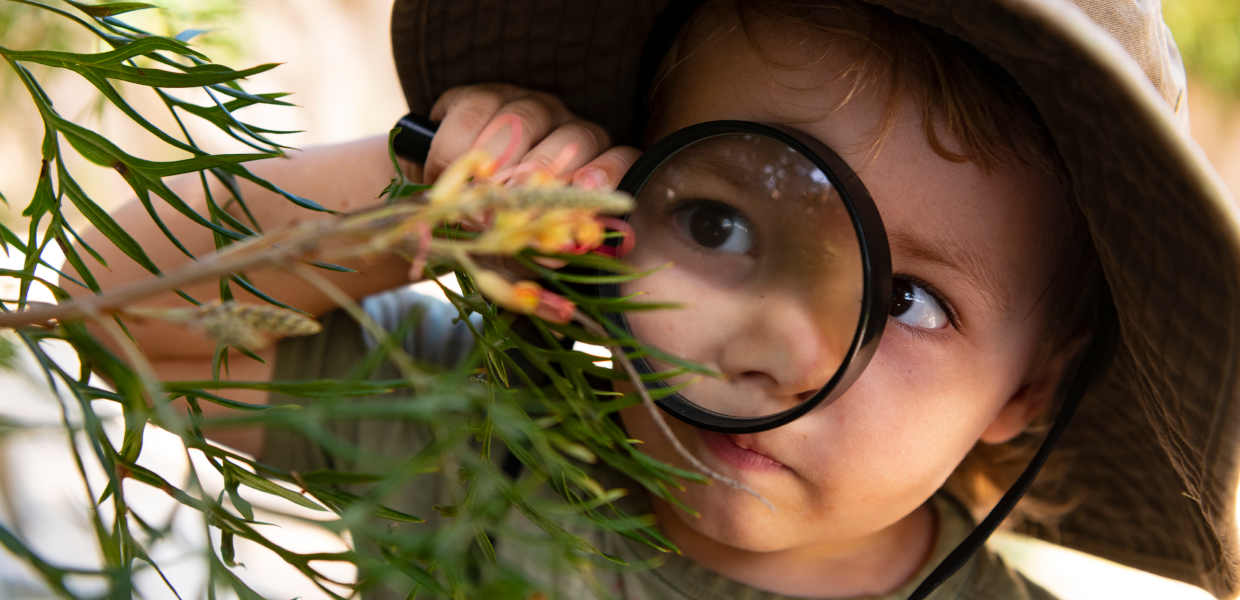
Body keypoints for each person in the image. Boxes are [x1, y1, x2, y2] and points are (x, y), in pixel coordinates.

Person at [64, 0, 1240, 598]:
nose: (776, 342)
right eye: (718, 223)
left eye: (909, 303)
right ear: (621, 196)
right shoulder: (477, 439)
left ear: (1025, 389)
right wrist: (408, 196)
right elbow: (114, 315)